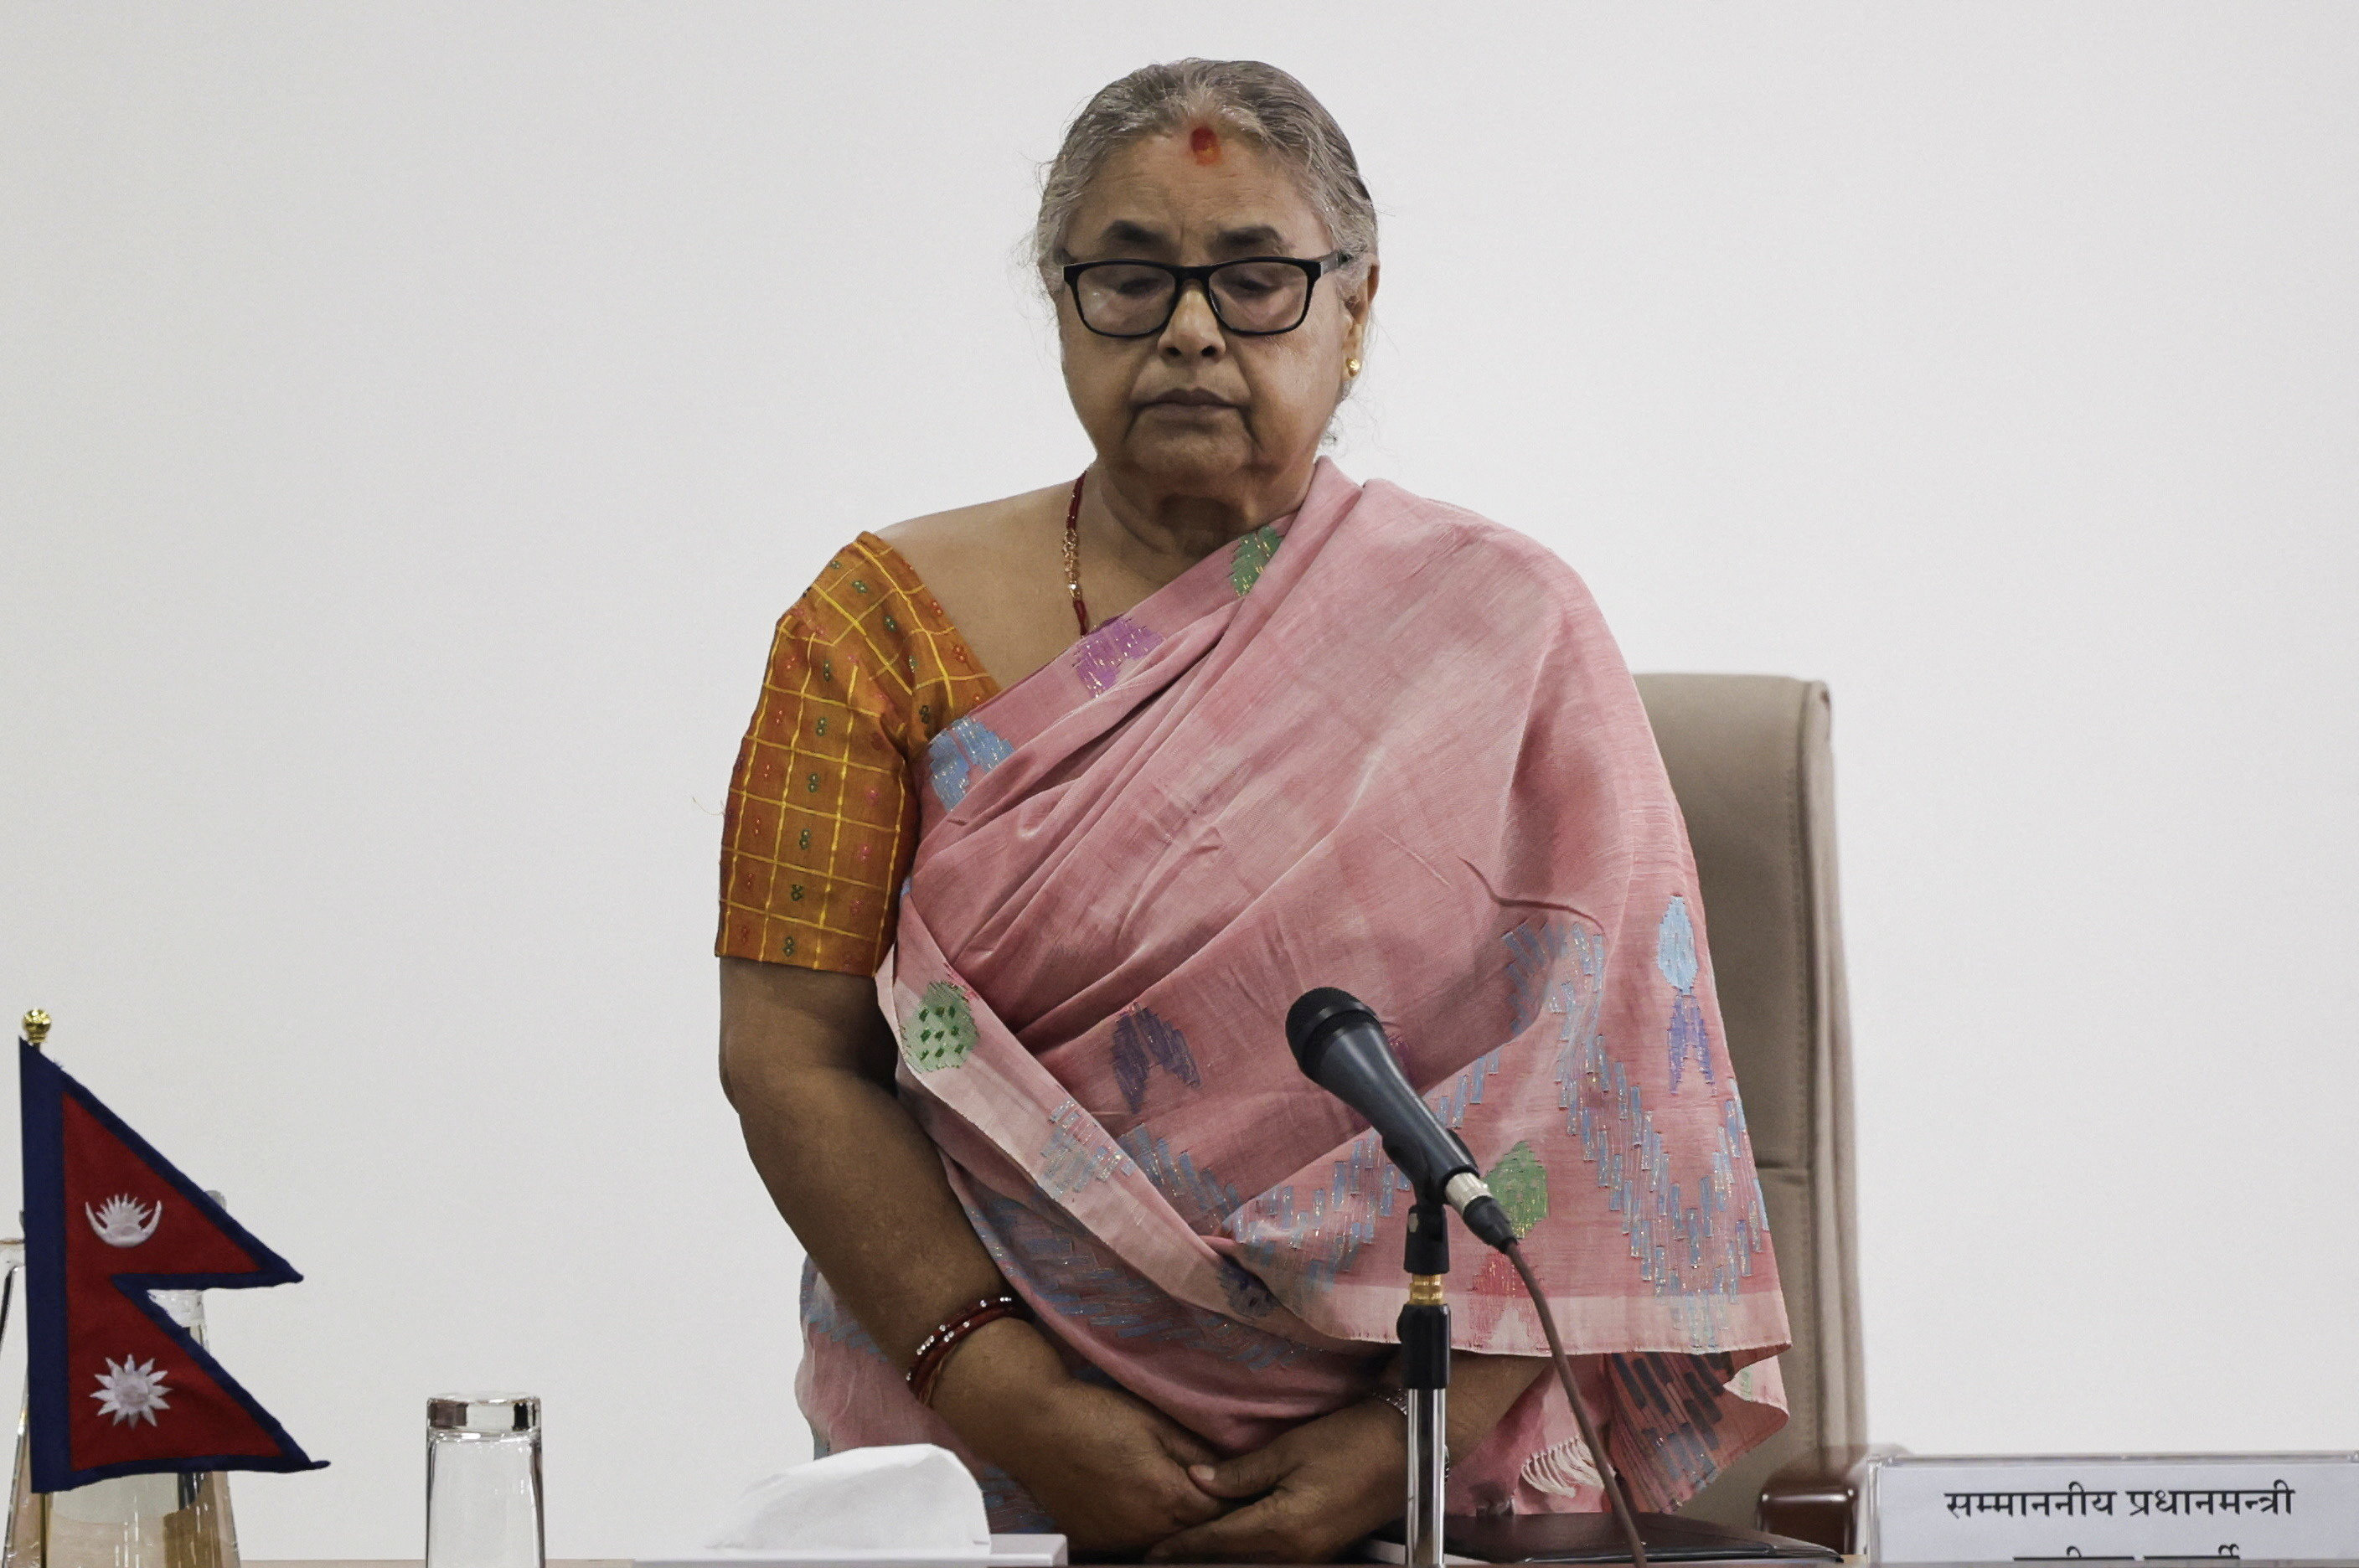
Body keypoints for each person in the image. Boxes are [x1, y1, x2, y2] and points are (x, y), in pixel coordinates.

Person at [716, 59, 1791, 1565]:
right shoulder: (875, 627)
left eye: (1258, 278)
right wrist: (1012, 1392)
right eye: (1130, 278)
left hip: (1419, 1475)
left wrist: (1392, 1448)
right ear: (1061, 300)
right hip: (977, 1455)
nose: (1193, 330)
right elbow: (790, 1056)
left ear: (1355, 311)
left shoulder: (1509, 633)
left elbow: (1606, 1103)